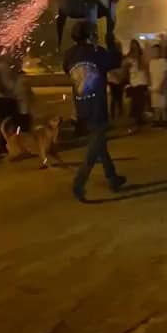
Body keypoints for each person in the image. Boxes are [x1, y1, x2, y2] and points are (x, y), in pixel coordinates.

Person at [64, 20, 126, 201]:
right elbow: (116, 61)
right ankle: (79, 182)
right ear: (90, 35)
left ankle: (112, 177)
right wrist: (111, 43)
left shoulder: (69, 54)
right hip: (97, 104)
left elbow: (68, 70)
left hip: (81, 104)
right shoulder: (96, 52)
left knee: (99, 142)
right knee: (95, 145)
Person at [124, 39, 149, 127]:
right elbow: (125, 69)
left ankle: (139, 118)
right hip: (134, 82)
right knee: (135, 101)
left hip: (142, 81)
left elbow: (145, 68)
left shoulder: (141, 57)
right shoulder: (128, 58)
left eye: (135, 46)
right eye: (133, 46)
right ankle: (136, 119)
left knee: (141, 101)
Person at [149, 44, 167, 125]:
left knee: (163, 105)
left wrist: (161, 85)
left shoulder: (164, 61)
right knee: (156, 105)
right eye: (154, 51)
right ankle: (157, 120)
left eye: (157, 51)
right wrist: (151, 86)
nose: (155, 53)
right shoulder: (151, 62)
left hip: (162, 86)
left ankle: (165, 120)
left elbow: (166, 75)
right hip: (154, 86)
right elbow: (151, 75)